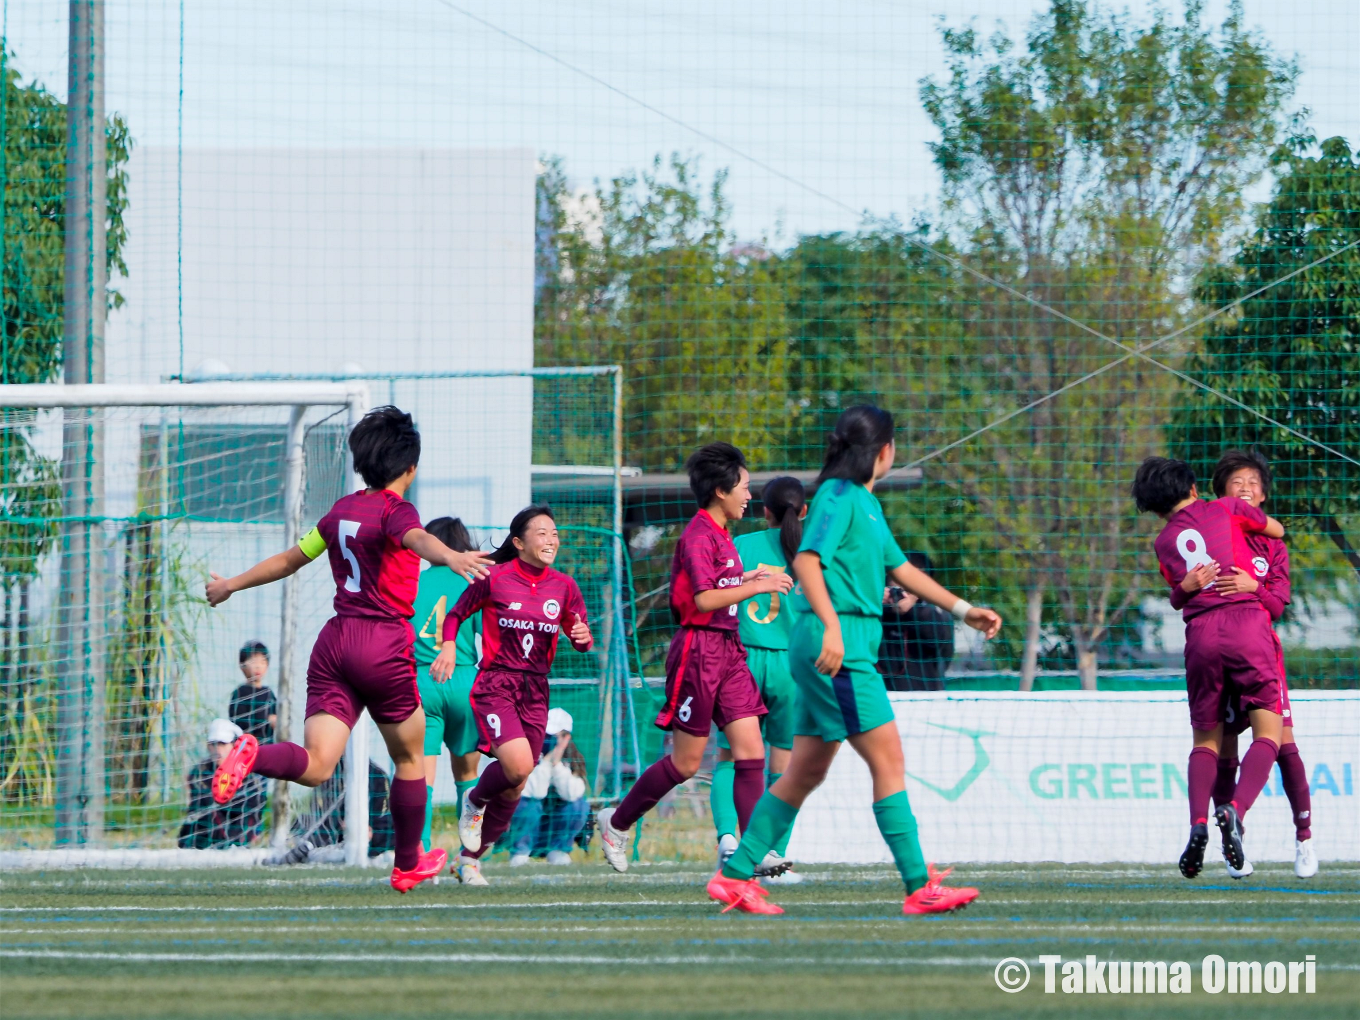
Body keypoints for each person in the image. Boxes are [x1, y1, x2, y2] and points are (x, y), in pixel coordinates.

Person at [707, 406, 1002, 916]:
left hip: (840, 643)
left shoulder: (862, 503)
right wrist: (834, 627)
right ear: (883, 450)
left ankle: (734, 877)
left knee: (802, 773)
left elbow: (901, 568)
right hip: (836, 646)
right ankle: (918, 886)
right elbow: (805, 561)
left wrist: (963, 609)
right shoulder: (839, 499)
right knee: (888, 762)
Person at [205, 405, 493, 893]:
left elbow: (289, 560)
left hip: (335, 643)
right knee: (409, 757)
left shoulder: (339, 511)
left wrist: (232, 584)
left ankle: (249, 755)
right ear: (410, 468)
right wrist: (453, 556)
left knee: (317, 765)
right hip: (382, 645)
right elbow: (418, 539)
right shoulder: (397, 510)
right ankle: (407, 864)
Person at [596, 443, 794, 874]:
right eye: (744, 486)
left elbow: (718, 581)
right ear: (721, 490)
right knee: (686, 763)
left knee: (750, 752)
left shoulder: (723, 534)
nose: (749, 495)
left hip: (729, 650)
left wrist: (748, 575)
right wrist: (757, 587)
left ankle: (752, 849)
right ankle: (615, 822)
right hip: (698, 652)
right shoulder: (698, 535)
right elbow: (704, 599)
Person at [1131, 455, 1287, 881]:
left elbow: (1178, 596)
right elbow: (1276, 529)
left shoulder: (1163, 543)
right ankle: (1235, 810)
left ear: (1155, 507)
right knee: (1269, 733)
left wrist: (1185, 589)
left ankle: (1199, 822)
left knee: (1206, 740)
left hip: (1200, 634)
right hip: (1245, 623)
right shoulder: (1225, 508)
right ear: (1195, 488)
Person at [435, 505, 593, 886]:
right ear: (519, 542)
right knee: (520, 766)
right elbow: (456, 615)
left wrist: (582, 638)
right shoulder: (495, 578)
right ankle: (473, 802)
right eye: (541, 532)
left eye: (554, 533)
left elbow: (580, 633)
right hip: (497, 684)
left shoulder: (564, 586)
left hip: (536, 689)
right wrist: (450, 645)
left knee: (517, 782)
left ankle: (469, 860)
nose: (551, 539)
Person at [1209, 449, 1317, 880]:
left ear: (1264, 495)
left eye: (1254, 483)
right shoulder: (1211, 534)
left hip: (1261, 655)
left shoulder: (1272, 544)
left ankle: (1305, 839)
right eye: (1238, 483)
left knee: (1284, 746)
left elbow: (1275, 605)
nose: (1247, 489)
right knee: (1224, 751)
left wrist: (1253, 586)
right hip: (1218, 653)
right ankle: (1234, 844)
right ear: (1223, 494)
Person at [710, 475, 806, 883]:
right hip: (793, 667)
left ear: (764, 511)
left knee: (732, 759)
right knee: (783, 769)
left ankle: (729, 840)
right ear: (803, 512)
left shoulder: (739, 546)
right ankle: (774, 856)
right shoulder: (812, 552)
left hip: (742, 661)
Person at [409, 516, 484, 854]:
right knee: (468, 778)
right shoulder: (472, 582)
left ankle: (420, 854)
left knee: (420, 778)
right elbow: (491, 636)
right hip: (465, 680)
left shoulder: (413, 583)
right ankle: (469, 856)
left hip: (422, 682)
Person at [508, 708, 591, 866]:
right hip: (522, 827)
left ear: (566, 738)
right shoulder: (527, 753)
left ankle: (558, 851)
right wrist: (545, 763)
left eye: (552, 737)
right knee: (527, 804)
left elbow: (572, 795)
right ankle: (520, 852)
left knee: (579, 805)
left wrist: (556, 764)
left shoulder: (573, 761)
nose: (546, 741)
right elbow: (532, 793)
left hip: (552, 827)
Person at [178, 719, 267, 849]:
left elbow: (253, 810)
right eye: (213, 744)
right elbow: (198, 808)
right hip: (205, 834)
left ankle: (231, 847)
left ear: (235, 746)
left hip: (238, 834)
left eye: (222, 744)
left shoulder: (250, 778)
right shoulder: (199, 774)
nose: (217, 749)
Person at [878, 552, 955, 692]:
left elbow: (938, 642)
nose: (906, 585)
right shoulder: (876, 611)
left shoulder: (935, 612)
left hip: (926, 698)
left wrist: (911, 611)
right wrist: (875, 603)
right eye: (899, 577)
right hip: (880, 696)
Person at [228, 640, 277, 742]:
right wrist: (267, 721)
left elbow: (277, 719)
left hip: (269, 746)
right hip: (246, 748)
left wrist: (276, 722)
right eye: (253, 662)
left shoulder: (268, 693)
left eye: (263, 662)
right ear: (242, 665)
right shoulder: (239, 693)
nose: (258, 666)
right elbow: (238, 724)